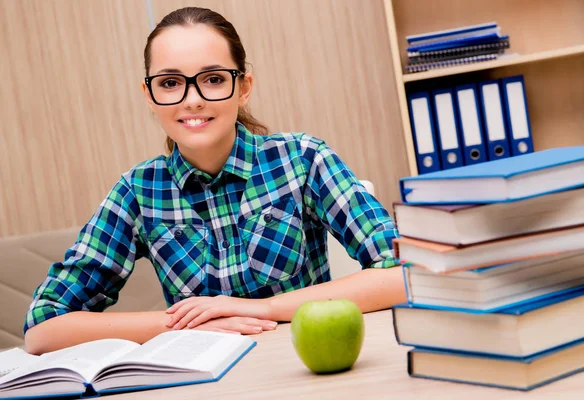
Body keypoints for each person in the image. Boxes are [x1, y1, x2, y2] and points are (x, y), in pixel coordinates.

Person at [24, 7, 405, 355]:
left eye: (213, 78)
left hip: (303, 364)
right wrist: (186, 324)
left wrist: (261, 309)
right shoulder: (137, 192)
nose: (192, 100)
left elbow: (404, 274)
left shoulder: (303, 160)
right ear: (149, 95)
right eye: (170, 83)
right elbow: (44, 326)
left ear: (243, 87)